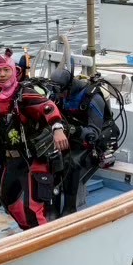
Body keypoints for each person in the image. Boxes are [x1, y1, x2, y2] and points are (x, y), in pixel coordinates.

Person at [0, 53, 70, 229]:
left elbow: (47, 106)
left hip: (33, 159)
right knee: (8, 200)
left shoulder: (24, 94)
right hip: (11, 159)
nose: (2, 75)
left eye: (6, 70)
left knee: (32, 208)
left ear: (15, 71)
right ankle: (28, 232)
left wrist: (57, 129)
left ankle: (42, 237)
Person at [47, 67, 111, 217]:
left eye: (61, 92)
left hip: (92, 142)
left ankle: (69, 208)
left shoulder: (92, 97)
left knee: (71, 163)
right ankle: (52, 208)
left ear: (69, 87)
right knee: (50, 158)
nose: (59, 96)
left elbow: (94, 132)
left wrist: (73, 130)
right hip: (69, 139)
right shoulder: (58, 96)